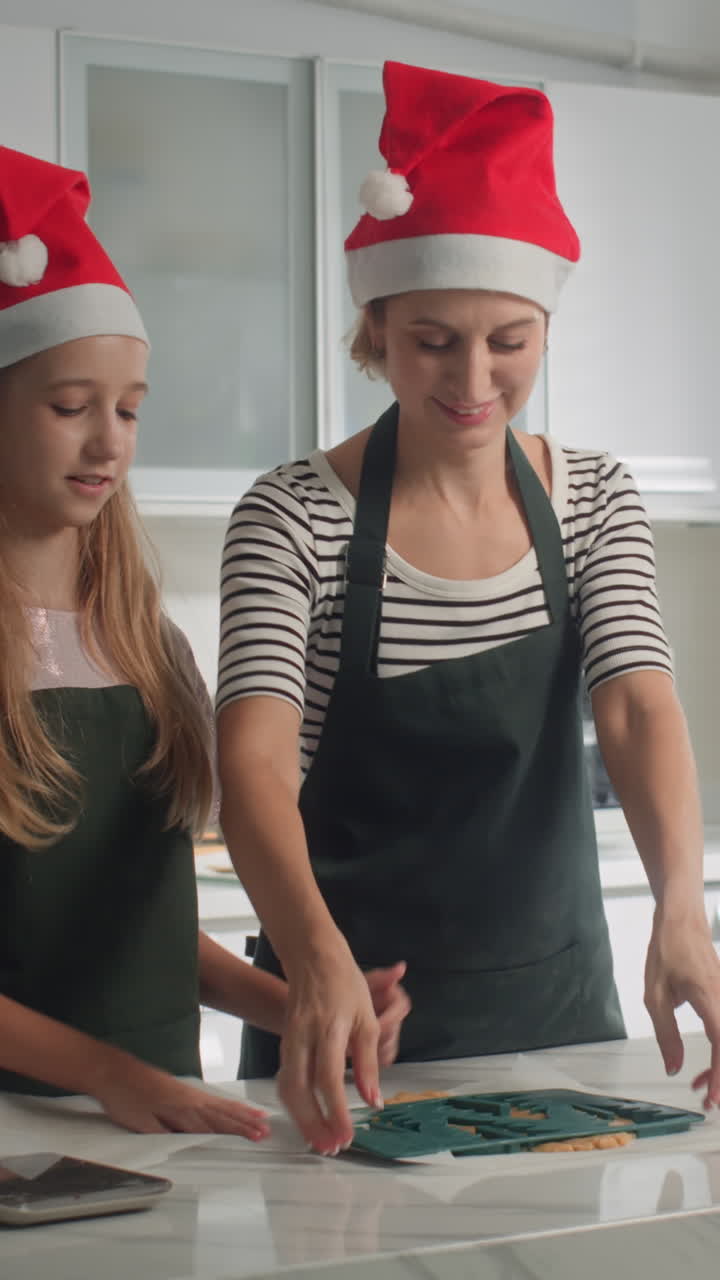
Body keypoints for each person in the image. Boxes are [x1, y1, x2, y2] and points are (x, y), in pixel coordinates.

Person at [216, 61, 720, 1155]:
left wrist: (682, 903)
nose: (474, 378)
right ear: (377, 327)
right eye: (433, 338)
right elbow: (251, 763)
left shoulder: (591, 498)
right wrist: (311, 953)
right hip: (342, 1024)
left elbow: (637, 708)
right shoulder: (291, 515)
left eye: (510, 339)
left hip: (557, 1026)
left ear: (544, 323)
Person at [0, 146, 409, 1137]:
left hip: (160, 1121)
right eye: (70, 407)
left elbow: (136, 927)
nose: (111, 442)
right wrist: (106, 1072)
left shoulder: (146, 644)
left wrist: (298, 999)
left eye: (130, 409)